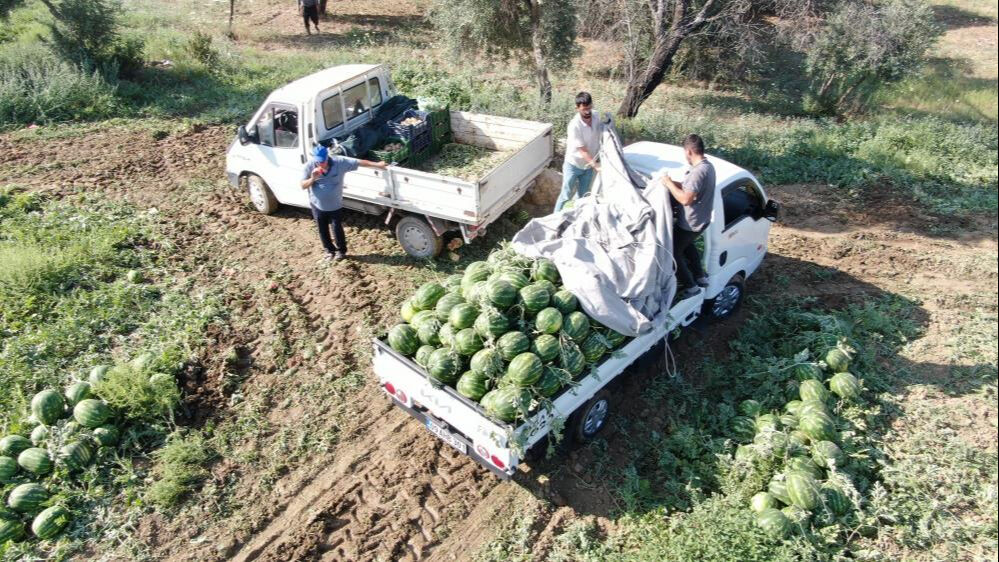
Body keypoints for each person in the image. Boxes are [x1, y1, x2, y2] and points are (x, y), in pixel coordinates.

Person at [302, 145, 387, 261]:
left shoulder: (339, 162)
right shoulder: (309, 166)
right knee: (322, 230)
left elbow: (359, 162)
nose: (320, 164)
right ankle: (329, 251)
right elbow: (302, 185)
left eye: (322, 161)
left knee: (337, 228)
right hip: (317, 205)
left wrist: (377, 165)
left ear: (327, 157)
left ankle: (341, 251)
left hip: (335, 206)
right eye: (318, 162)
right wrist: (313, 178)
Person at [661, 134, 716, 300]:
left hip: (690, 223)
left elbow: (685, 199)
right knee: (687, 246)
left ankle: (690, 286)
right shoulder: (708, 166)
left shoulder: (698, 172)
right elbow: (690, 188)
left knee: (672, 254)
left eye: (685, 153)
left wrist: (669, 184)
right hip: (701, 221)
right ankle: (700, 276)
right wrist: (671, 183)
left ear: (689, 151)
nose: (685, 156)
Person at [555, 92, 601, 212]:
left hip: (588, 167)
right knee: (566, 194)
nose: (587, 111)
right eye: (584, 109)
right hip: (573, 165)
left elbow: (603, 132)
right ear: (577, 108)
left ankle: (575, 216)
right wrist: (596, 165)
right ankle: (555, 219)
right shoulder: (574, 125)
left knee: (583, 196)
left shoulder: (596, 116)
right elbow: (582, 150)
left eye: (589, 108)